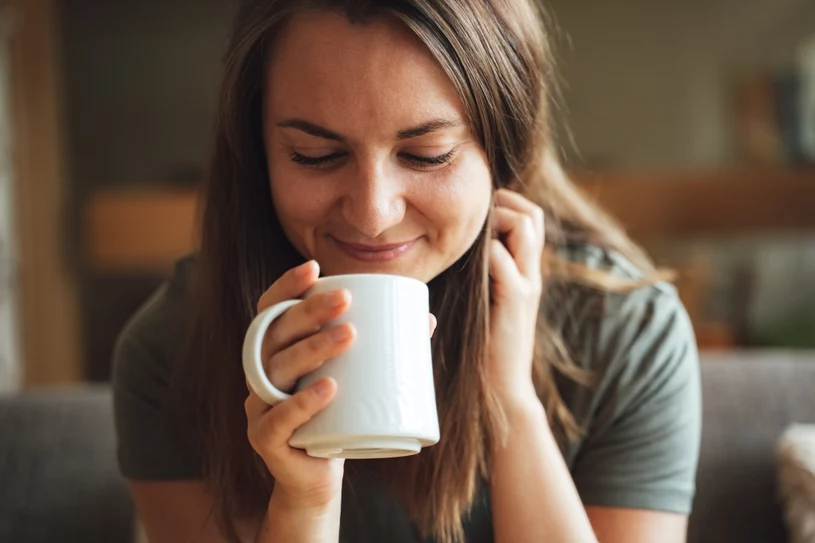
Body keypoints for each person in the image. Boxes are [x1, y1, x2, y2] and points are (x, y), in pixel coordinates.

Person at [112, 1, 702, 542]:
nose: (372, 214)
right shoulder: (171, 350)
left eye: (427, 155)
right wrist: (303, 503)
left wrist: (511, 405)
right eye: (316, 156)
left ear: (506, 151)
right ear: (255, 150)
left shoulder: (624, 332)